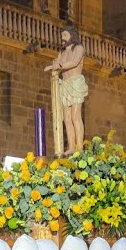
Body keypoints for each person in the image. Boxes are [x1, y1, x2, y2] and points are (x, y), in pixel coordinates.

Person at [44, 26, 87, 155]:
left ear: (72, 36)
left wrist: (59, 65)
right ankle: (71, 146)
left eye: (65, 35)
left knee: (75, 115)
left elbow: (74, 62)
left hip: (75, 82)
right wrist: (55, 64)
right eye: (62, 35)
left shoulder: (79, 48)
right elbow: (57, 63)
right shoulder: (62, 53)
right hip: (65, 84)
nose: (62, 38)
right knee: (66, 118)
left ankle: (79, 147)